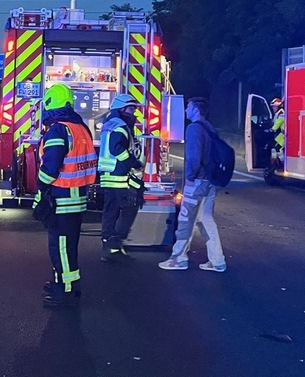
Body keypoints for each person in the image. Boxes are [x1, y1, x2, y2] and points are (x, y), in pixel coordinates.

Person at [35, 83, 97, 309]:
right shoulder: (80, 128)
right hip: (76, 198)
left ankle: (67, 292)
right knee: (68, 247)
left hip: (61, 199)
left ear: (50, 104)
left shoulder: (58, 130)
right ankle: (61, 283)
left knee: (60, 248)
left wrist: (40, 189)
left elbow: (50, 168)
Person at [159, 97, 227, 273]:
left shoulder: (194, 128)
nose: (185, 110)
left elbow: (194, 157)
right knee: (206, 219)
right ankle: (218, 261)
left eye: (188, 107)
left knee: (185, 220)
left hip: (197, 182)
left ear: (196, 109)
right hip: (209, 181)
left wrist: (190, 177)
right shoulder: (209, 128)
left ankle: (178, 259)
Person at [97, 93, 143, 263]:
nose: (133, 112)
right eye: (130, 109)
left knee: (112, 212)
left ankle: (111, 248)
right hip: (117, 176)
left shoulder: (111, 123)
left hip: (110, 174)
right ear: (121, 109)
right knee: (128, 208)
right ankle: (113, 244)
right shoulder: (120, 125)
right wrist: (133, 163)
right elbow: (116, 149)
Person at [271, 97, 285, 163]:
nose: (273, 108)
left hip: (283, 135)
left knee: (278, 148)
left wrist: (271, 129)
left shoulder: (281, 113)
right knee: (274, 147)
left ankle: (283, 162)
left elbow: (277, 124)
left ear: (278, 106)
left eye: (274, 106)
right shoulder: (278, 113)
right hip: (281, 135)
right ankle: (274, 162)